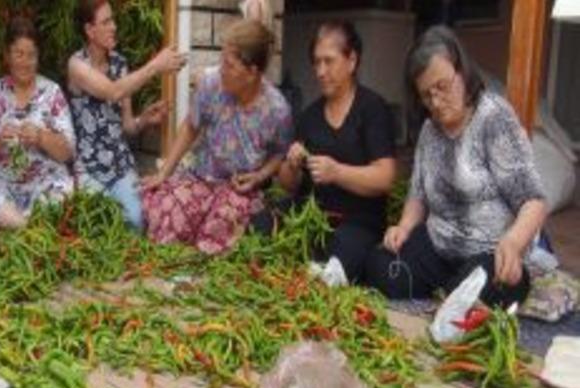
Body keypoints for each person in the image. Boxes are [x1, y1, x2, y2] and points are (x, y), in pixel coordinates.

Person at [365, 26, 548, 307]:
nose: (436, 102)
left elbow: (533, 201)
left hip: (490, 253)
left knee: (482, 287)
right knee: (379, 266)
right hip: (438, 248)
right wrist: (404, 227)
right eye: (427, 95)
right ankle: (451, 290)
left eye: (442, 87)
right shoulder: (429, 130)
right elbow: (418, 194)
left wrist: (513, 243)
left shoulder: (493, 118)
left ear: (462, 71)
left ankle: (457, 291)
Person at [257, 21, 397, 282]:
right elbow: (287, 184)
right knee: (262, 222)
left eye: (329, 61)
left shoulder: (372, 109)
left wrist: (337, 172)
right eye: (316, 62)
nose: (321, 71)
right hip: (312, 215)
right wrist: (292, 165)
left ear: (351, 60)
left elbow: (385, 177)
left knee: (343, 248)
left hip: (357, 220)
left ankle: (316, 270)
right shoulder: (310, 116)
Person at [141, 20, 293, 254]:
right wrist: (164, 173)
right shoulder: (211, 84)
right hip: (201, 178)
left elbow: (280, 153)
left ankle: (199, 265)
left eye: (229, 65)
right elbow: (190, 127)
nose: (221, 69)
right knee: (165, 209)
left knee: (218, 230)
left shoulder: (277, 110)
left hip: (238, 191)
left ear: (252, 72)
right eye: (221, 60)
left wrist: (259, 176)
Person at [67, 0, 186, 229]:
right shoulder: (77, 65)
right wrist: (154, 66)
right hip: (89, 168)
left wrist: (145, 119)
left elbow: (127, 126)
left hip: (121, 166)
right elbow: (113, 91)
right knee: (98, 222)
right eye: (106, 22)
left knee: (136, 220)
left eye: (113, 20)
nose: (114, 27)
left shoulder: (120, 63)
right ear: (90, 30)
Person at [0, 17, 76, 231]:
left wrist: (41, 137)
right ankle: (26, 227)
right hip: (4, 184)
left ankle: (14, 226)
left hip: (44, 182)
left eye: (31, 55)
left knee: (66, 189)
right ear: (7, 56)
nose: (25, 62)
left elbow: (67, 152)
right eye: (19, 54)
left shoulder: (52, 92)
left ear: (38, 57)